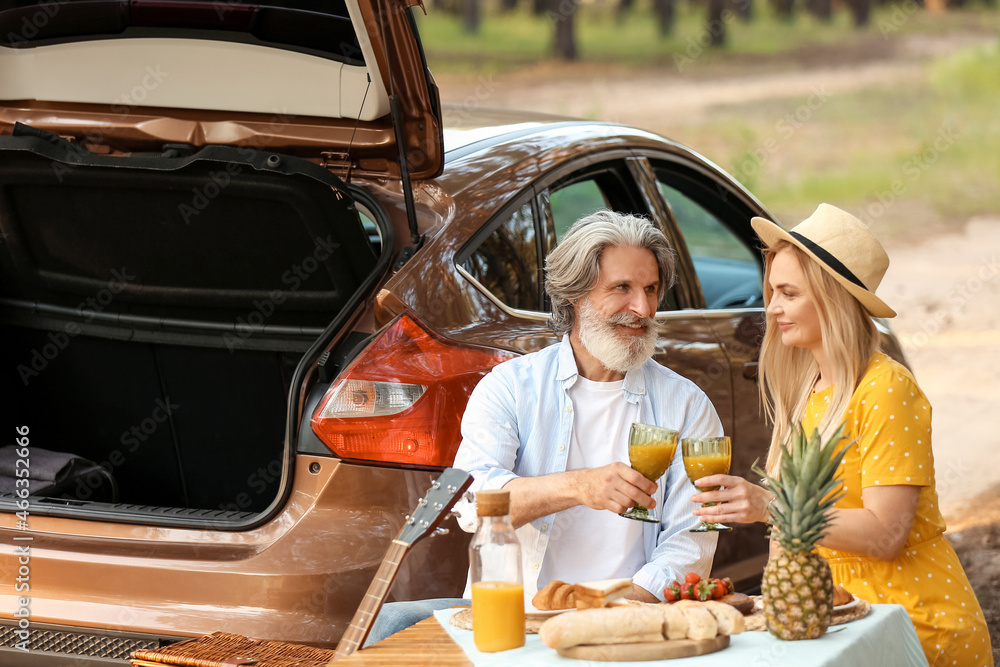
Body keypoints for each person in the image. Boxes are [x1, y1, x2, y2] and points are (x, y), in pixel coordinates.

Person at [365, 209, 722, 645]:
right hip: (512, 623)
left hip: (630, 626)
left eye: (651, 289)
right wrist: (577, 487)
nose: (642, 308)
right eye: (622, 288)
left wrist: (612, 611)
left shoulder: (688, 406)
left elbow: (691, 541)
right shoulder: (510, 387)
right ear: (575, 295)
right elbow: (471, 504)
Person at [690, 203, 992, 667]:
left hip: (910, 624)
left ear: (832, 299)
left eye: (789, 293)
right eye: (772, 291)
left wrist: (770, 505)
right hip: (838, 621)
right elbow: (787, 538)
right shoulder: (808, 388)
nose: (772, 308)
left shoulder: (886, 389)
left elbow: (887, 533)